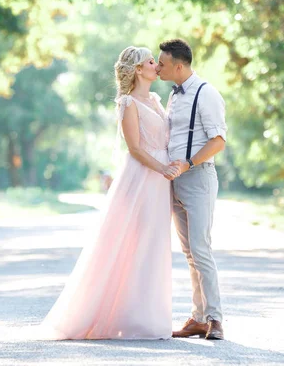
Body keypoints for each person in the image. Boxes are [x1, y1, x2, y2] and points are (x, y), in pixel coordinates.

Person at [39, 46, 179, 340]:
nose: (158, 64)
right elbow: (136, 149)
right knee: (132, 243)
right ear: (139, 69)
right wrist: (162, 168)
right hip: (143, 178)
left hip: (160, 181)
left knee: (155, 245)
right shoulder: (128, 103)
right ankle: (126, 319)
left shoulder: (155, 99)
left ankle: (149, 318)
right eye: (151, 61)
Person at [156, 38, 227, 340]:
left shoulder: (206, 93)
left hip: (198, 178)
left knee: (201, 249)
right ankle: (198, 318)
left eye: (162, 63)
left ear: (179, 65)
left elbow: (218, 141)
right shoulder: (173, 96)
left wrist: (187, 163)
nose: (157, 67)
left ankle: (216, 319)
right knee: (189, 253)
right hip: (175, 182)